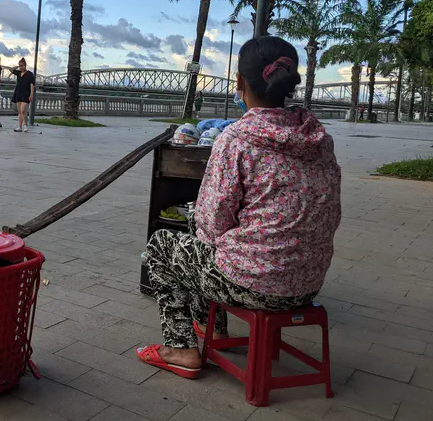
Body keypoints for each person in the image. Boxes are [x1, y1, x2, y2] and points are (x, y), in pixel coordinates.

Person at [136, 36, 341, 379]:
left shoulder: (237, 139)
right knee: (201, 237)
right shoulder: (318, 139)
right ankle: (211, 329)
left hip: (255, 285)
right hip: (308, 282)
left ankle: (182, 348)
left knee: (165, 245)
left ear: (240, 83)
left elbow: (212, 223)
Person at [11, 58, 35, 133]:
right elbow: (11, 69)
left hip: (26, 94)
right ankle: (20, 127)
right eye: (20, 66)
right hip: (18, 93)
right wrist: (17, 67)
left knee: (23, 110)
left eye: (22, 66)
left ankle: (25, 125)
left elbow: (32, 85)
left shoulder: (30, 74)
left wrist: (31, 94)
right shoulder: (18, 73)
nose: (21, 67)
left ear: (25, 65)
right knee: (19, 111)